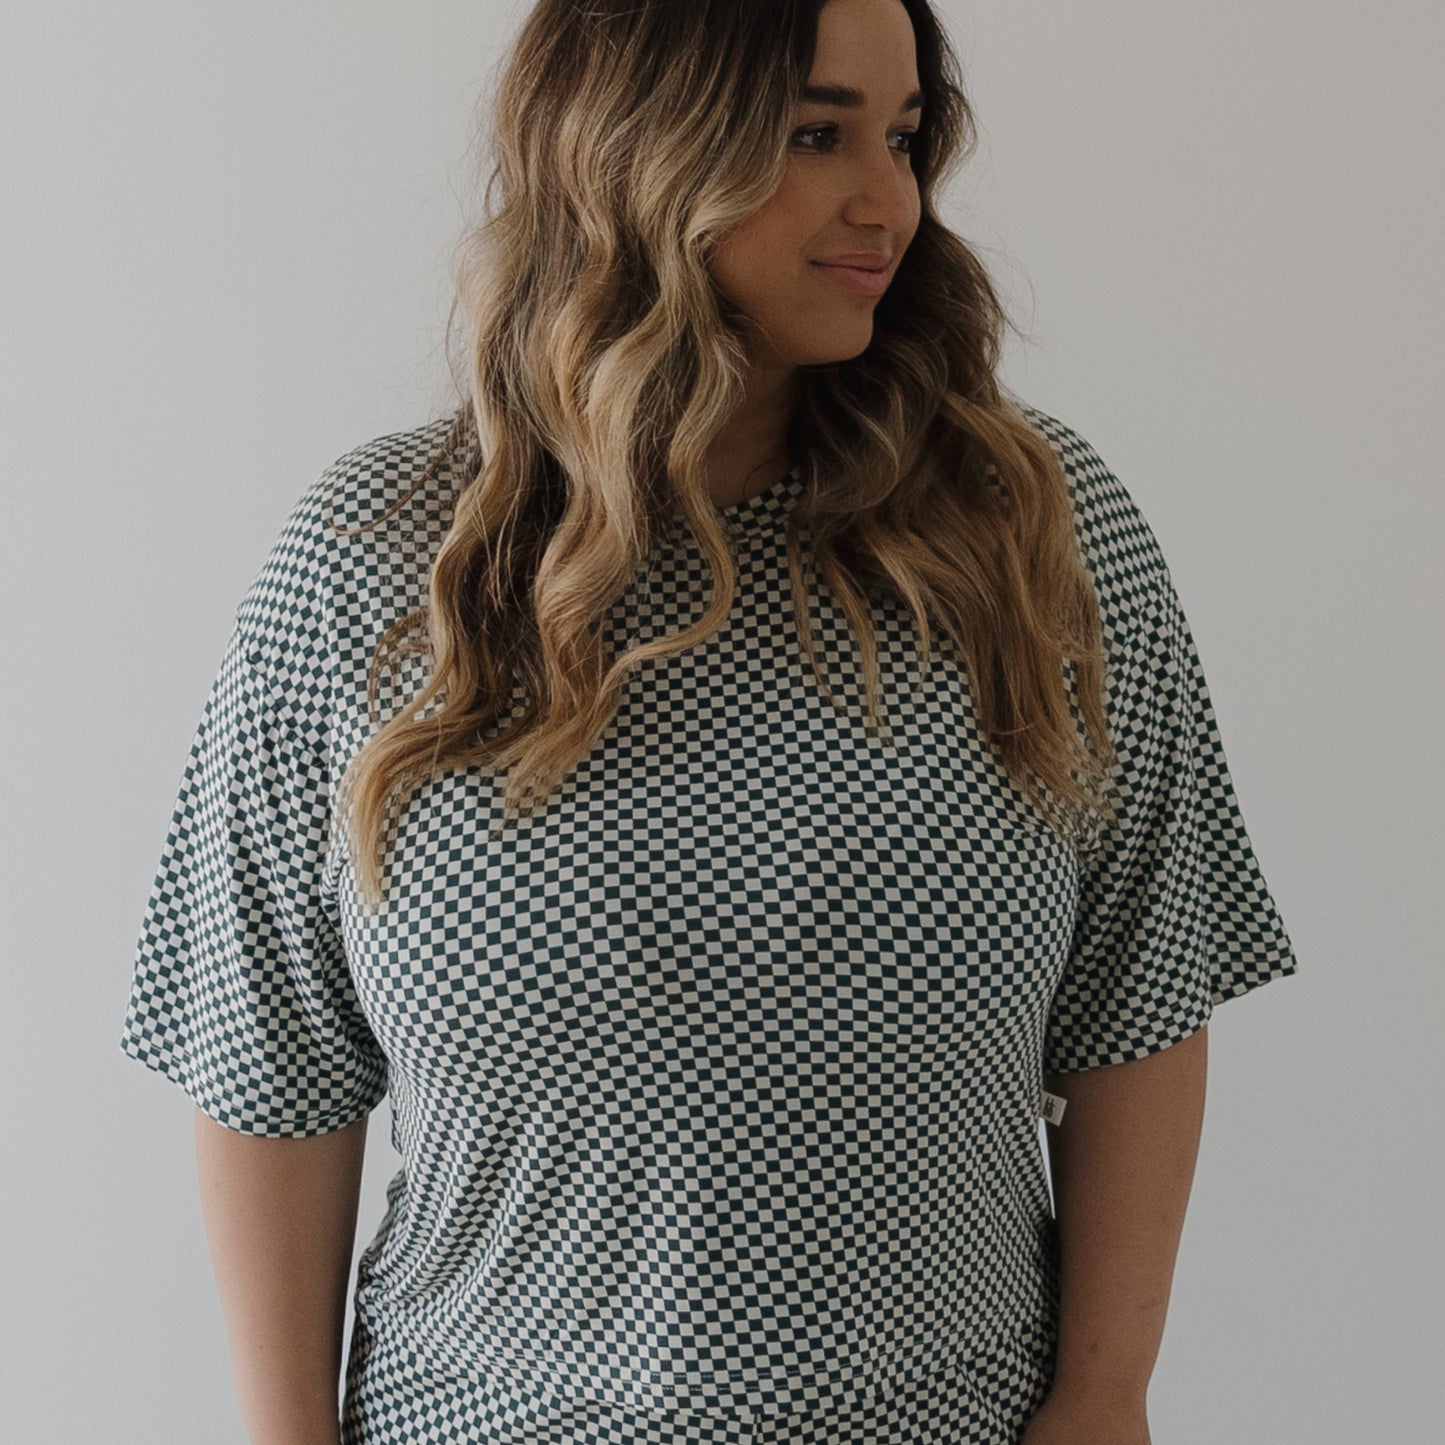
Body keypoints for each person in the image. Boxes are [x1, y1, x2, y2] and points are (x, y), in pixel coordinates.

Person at [119, 1, 1298, 1442]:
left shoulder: (1027, 535)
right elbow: (269, 1058)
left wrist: (1104, 1393)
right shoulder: (372, 570)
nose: (890, 201)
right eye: (815, 134)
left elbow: (1141, 986)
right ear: (631, 151)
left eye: (906, 134)